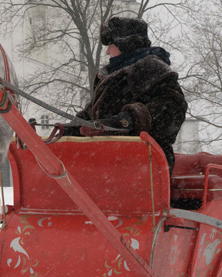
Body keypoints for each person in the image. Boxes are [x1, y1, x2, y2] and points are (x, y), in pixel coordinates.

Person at [63, 17, 187, 175]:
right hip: (108, 166)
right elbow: (91, 115)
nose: (108, 51)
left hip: (143, 166)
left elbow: (173, 111)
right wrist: (66, 129)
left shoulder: (152, 70)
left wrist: (127, 120)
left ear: (125, 45)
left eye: (111, 46)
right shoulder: (110, 76)